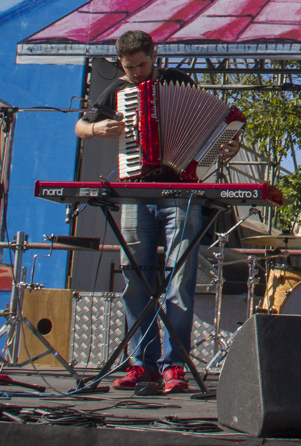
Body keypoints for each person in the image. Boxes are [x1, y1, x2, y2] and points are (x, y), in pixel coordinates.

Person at [76, 30, 239, 393]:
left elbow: (215, 129)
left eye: (141, 64)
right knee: (136, 279)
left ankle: (174, 365)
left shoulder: (178, 81)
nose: (136, 72)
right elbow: (80, 126)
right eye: (129, 67)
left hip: (181, 192)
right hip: (136, 192)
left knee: (180, 279)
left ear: (155, 55)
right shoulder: (117, 90)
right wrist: (97, 127)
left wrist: (227, 145)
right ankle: (141, 363)